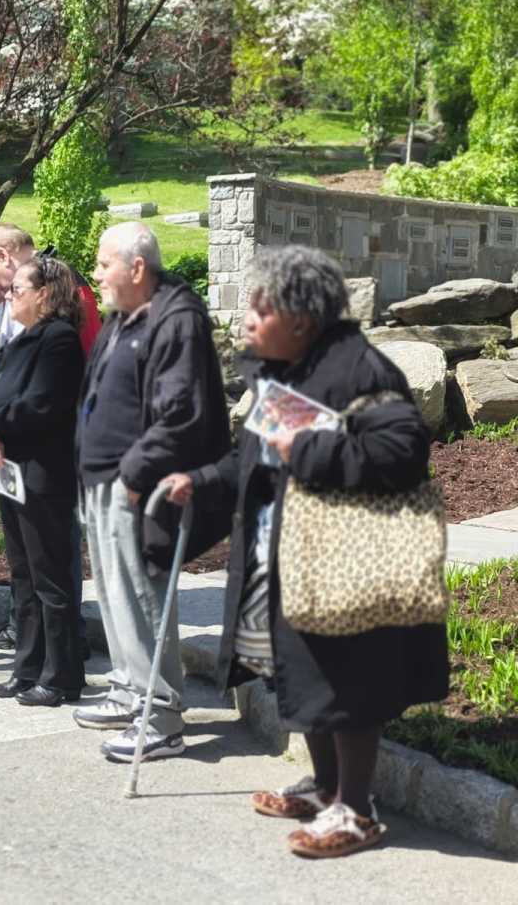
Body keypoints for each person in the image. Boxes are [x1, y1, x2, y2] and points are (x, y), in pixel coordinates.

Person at [159, 245, 448, 858]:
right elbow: (252, 455)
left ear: (300, 315)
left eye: (259, 310)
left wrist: (308, 453)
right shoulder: (288, 373)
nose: (246, 322)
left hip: (339, 562)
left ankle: (357, 812)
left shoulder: (359, 370)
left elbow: (403, 453)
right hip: (285, 556)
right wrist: (204, 481)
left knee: (347, 681)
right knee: (309, 675)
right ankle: (324, 788)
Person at [73, 222, 229, 761]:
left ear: (136, 268)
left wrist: (134, 475)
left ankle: (160, 714)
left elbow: (181, 411)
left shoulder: (176, 318)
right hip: (101, 479)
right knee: (114, 595)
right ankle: (128, 687)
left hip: (135, 484)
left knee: (141, 595)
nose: (95, 275)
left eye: (102, 264)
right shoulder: (126, 316)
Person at [0, 223, 99, 653]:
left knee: (51, 561)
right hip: (13, 448)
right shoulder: (24, 306)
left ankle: (63, 649)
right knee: (25, 561)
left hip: (49, 448)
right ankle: (29, 647)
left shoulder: (63, 295)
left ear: (5, 256)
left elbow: (59, 381)